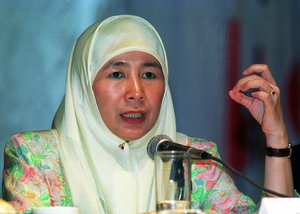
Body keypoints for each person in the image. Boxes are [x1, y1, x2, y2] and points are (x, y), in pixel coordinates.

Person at [2, 15, 295, 214]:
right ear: (83, 85)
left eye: (150, 74)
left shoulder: (190, 158)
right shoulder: (37, 156)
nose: (136, 91)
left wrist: (276, 136)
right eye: (116, 73)